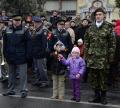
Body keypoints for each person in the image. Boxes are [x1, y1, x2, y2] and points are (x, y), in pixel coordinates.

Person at [84, 8, 116, 105]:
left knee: (103, 78)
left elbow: (112, 44)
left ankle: (103, 97)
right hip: (92, 58)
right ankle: (96, 96)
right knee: (93, 78)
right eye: (96, 14)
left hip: (103, 58)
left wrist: (110, 58)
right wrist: (86, 56)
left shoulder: (109, 27)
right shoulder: (90, 28)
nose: (98, 16)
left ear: (104, 16)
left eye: (100, 14)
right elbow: (86, 42)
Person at [2, 15, 31, 98]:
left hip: (21, 55)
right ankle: (11, 90)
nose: (18, 21)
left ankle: (23, 91)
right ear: (12, 21)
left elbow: (29, 43)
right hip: (10, 55)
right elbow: (5, 44)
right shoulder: (7, 29)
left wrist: (28, 55)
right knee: (11, 74)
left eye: (19, 20)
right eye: (16, 20)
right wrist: (5, 54)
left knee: (22, 75)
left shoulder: (25, 30)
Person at [31, 16, 49, 88]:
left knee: (42, 69)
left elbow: (44, 43)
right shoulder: (36, 30)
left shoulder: (44, 30)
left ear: (38, 23)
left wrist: (42, 52)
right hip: (35, 52)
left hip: (41, 53)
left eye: (34, 23)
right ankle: (38, 80)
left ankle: (45, 81)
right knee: (36, 68)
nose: (34, 24)